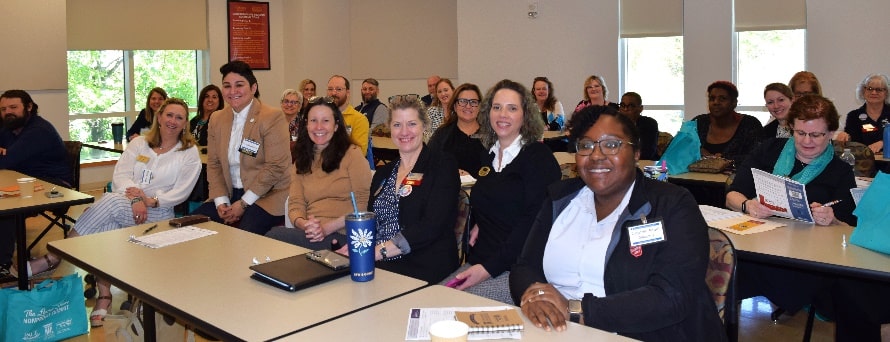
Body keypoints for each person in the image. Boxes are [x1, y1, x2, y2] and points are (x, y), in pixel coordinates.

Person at [509, 106, 726, 341]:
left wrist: (577, 310)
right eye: (586, 145)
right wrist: (534, 296)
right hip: (557, 331)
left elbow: (672, 296)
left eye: (611, 144)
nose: (596, 155)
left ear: (636, 153)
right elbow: (524, 266)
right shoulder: (559, 199)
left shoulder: (672, 205)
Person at [27, 98, 202, 327]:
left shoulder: (188, 153)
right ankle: (104, 296)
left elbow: (182, 191)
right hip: (128, 203)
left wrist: (151, 200)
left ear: (185, 124)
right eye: (169, 115)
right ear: (159, 117)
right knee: (108, 224)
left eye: (179, 117)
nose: (173, 121)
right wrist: (137, 198)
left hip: (159, 213)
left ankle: (56, 256)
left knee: (108, 204)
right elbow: (120, 175)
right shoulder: (139, 144)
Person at [727, 95, 857, 328]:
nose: (807, 141)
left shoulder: (840, 171)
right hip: (757, 246)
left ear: (830, 134)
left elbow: (847, 226)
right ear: (791, 129)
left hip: (805, 259)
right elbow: (732, 195)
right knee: (717, 272)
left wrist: (832, 219)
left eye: (816, 135)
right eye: (800, 133)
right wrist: (748, 205)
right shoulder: (769, 150)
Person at [440, 79, 561, 304]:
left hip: (517, 271)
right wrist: (482, 220)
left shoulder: (538, 159)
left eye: (512, 108)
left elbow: (532, 226)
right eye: (497, 107)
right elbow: (495, 197)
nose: (502, 114)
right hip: (480, 260)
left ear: (525, 115)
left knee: (449, 307)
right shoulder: (489, 155)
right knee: (432, 298)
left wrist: (486, 269)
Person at [365, 95, 460, 283]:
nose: (404, 132)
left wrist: (379, 252)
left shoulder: (442, 165)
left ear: (424, 127)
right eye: (397, 125)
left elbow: (432, 225)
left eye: (412, 124)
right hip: (379, 261)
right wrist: (356, 247)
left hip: (422, 264)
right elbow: (372, 222)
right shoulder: (383, 173)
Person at [191, 60, 292, 235]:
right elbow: (214, 164)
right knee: (191, 226)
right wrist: (221, 202)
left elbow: (275, 167)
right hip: (229, 194)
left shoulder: (272, 117)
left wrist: (244, 203)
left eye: (239, 85)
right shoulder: (217, 119)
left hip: (266, 196)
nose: (233, 91)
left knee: (242, 236)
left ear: (253, 88)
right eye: (227, 86)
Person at [265, 98, 372, 250]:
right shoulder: (301, 161)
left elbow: (363, 206)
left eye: (325, 121)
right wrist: (305, 224)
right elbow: (296, 204)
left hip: (345, 235)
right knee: (275, 239)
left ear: (336, 126)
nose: (319, 127)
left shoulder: (352, 155)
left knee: (274, 237)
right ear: (306, 125)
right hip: (312, 234)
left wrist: (326, 228)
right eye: (313, 120)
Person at [0, 90, 72, 280]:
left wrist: (6, 155)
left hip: (55, 186)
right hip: (26, 181)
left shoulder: (38, 130)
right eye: (3, 109)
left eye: (13, 107)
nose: (8, 112)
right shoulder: (9, 129)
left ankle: (3, 266)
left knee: (6, 207)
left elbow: (7, 161)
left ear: (29, 107)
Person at [692, 81, 763, 164]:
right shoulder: (699, 122)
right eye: (712, 98)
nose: (716, 102)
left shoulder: (750, 124)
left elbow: (758, 156)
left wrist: (723, 158)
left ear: (734, 103)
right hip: (695, 176)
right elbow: (681, 148)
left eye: (722, 99)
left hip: (737, 176)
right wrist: (698, 151)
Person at [428, 83, 486, 175]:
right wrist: (450, 172)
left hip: (485, 187)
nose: (468, 106)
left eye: (473, 102)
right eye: (463, 101)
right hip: (450, 187)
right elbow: (429, 164)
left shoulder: (491, 134)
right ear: (455, 106)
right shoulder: (442, 135)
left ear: (479, 107)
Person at [835, 73, 890, 153]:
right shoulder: (853, 116)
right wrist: (844, 137)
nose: (874, 92)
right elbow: (851, 142)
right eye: (870, 89)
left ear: (886, 93)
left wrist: (884, 143)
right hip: (863, 163)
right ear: (863, 91)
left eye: (879, 89)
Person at [327, 75, 370, 155]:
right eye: (330, 89)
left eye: (338, 89)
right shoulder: (322, 117)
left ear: (347, 93)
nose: (333, 93)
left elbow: (360, 153)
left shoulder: (359, 119)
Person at [618, 91, 659, 160]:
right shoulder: (614, 124)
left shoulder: (649, 124)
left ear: (640, 108)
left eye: (631, 106)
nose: (625, 109)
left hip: (646, 163)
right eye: (622, 105)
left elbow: (647, 153)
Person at [280, 88, 303, 161]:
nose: (289, 105)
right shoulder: (273, 123)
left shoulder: (305, 125)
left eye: (294, 102)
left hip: (298, 164)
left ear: (299, 106)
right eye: (286, 101)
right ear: (281, 104)